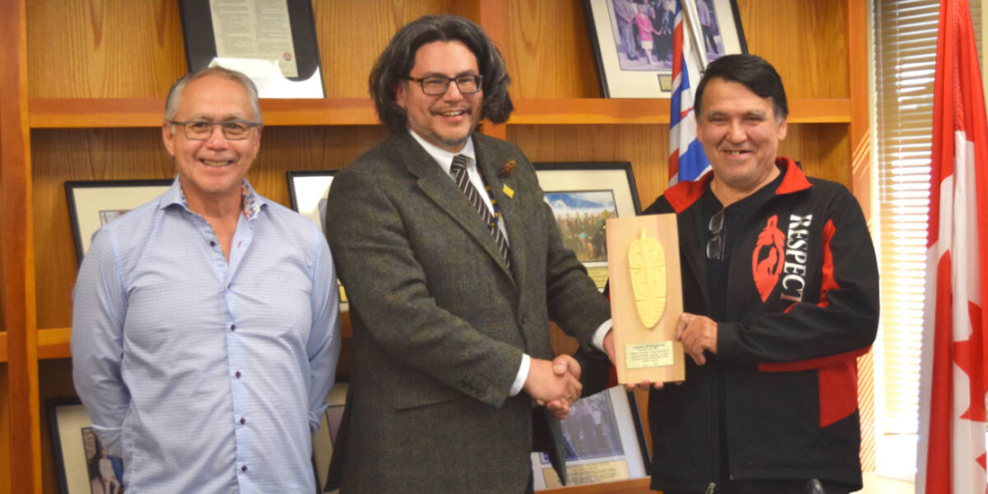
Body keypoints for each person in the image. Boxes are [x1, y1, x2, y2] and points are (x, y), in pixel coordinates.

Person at [323, 15, 613, 494]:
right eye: (433, 81)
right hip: (415, 460)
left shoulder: (509, 162)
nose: (453, 95)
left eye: (466, 80)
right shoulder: (366, 185)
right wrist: (526, 373)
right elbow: (404, 319)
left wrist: (611, 333)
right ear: (400, 92)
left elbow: (554, 272)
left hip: (507, 447)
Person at [71, 66, 342, 493]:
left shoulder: (305, 241)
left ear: (255, 139)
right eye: (199, 125)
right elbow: (95, 372)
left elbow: (320, 359)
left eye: (235, 126)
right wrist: (141, 450)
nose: (217, 142)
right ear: (169, 136)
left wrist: (287, 433)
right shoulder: (117, 247)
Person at [633, 54, 880, 493]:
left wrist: (724, 338)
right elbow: (625, 316)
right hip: (689, 467)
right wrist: (566, 373)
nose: (735, 135)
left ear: (781, 124)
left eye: (753, 118)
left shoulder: (828, 205)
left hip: (802, 466)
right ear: (699, 128)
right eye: (718, 119)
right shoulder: (667, 212)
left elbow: (853, 322)